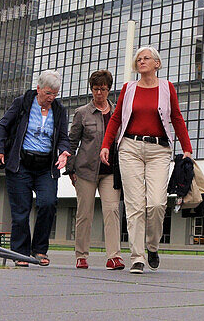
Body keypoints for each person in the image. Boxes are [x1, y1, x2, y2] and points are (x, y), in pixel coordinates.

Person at [101, 46, 194, 274]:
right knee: (134, 206)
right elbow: (115, 119)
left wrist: (187, 148)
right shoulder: (128, 88)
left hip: (159, 150)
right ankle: (137, 257)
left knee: (156, 203)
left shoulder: (166, 87)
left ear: (157, 64)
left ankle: (152, 246)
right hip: (130, 148)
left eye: (146, 58)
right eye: (139, 59)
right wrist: (106, 144)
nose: (141, 61)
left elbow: (176, 118)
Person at [0, 70, 73, 267]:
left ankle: (39, 250)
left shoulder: (60, 110)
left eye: (55, 94)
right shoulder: (22, 103)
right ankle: (20, 253)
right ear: (38, 89)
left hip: (46, 166)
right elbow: (3, 126)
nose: (51, 98)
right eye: (47, 93)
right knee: (21, 210)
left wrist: (64, 152)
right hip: (21, 164)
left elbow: (63, 136)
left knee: (48, 203)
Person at [68, 69, 124, 270]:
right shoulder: (82, 113)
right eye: (95, 89)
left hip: (110, 171)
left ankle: (114, 256)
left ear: (109, 89)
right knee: (84, 213)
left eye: (103, 89)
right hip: (85, 171)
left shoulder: (118, 112)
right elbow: (72, 143)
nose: (99, 93)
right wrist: (70, 169)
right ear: (91, 89)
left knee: (112, 211)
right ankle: (81, 255)